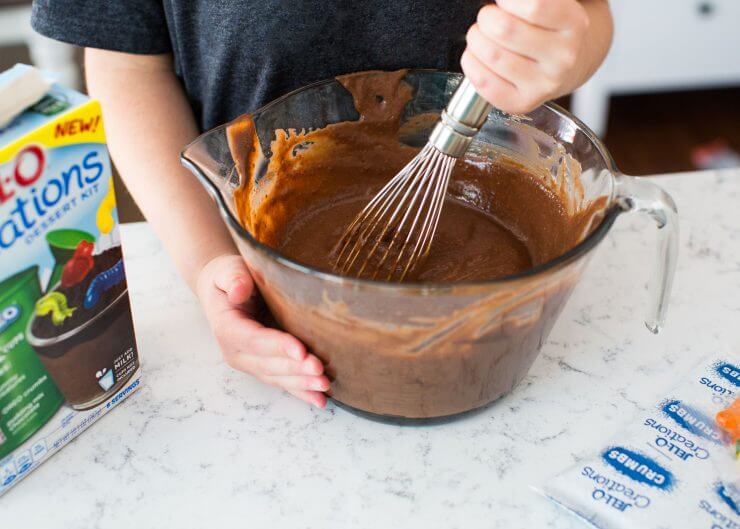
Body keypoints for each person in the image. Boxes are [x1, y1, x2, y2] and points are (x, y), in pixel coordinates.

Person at [31, 0, 613, 408]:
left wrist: (572, 41)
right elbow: (125, 62)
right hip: (254, 279)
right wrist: (210, 265)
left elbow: (588, 14)